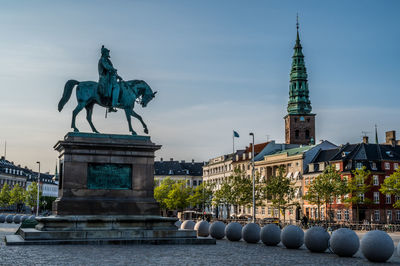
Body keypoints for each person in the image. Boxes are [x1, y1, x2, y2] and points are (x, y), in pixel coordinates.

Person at [98, 45, 122, 112]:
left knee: (118, 85)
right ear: (104, 53)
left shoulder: (108, 60)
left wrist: (117, 76)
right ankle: (113, 104)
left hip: (109, 77)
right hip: (105, 78)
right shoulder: (103, 59)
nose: (108, 53)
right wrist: (113, 69)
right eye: (107, 52)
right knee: (116, 87)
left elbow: (112, 71)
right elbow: (107, 67)